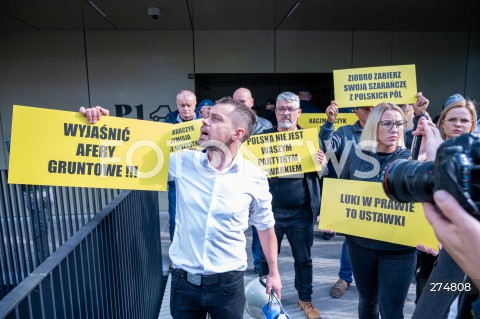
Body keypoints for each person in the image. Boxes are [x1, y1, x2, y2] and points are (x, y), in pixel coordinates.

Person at [80, 98, 282, 319]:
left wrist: (274, 272)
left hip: (228, 287)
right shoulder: (182, 162)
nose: (204, 121)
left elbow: (265, 227)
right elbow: (125, 157)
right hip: (184, 285)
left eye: (215, 118)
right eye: (207, 115)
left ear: (237, 133)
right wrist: (100, 126)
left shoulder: (255, 178)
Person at [340, 103, 415, 319]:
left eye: (399, 123)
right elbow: (343, 190)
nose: (395, 129)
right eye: (388, 123)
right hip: (360, 247)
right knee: (367, 303)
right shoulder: (356, 155)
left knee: (391, 311)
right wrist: (330, 217)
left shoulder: (412, 159)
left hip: (398, 250)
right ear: (374, 126)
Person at [258, 92, 326, 319]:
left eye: (290, 109)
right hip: (269, 213)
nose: (285, 113)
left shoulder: (310, 139)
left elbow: (323, 174)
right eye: (281, 109)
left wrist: (322, 165)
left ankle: (305, 300)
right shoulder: (263, 139)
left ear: (299, 112)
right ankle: (270, 300)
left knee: (304, 260)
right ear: (275, 111)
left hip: (301, 213)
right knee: (266, 260)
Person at [319, 103, 374, 298]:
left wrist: (419, 114)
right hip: (352, 195)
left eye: (374, 108)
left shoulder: (387, 129)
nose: (370, 112)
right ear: (355, 111)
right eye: (366, 109)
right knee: (350, 239)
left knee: (381, 238)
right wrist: (329, 122)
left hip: (379, 195)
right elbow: (325, 148)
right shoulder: (344, 132)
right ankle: (344, 278)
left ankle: (376, 281)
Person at [232, 87, 273, 274]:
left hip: (257, 181)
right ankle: (234, 263)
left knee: (260, 224)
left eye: (244, 101)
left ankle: (258, 264)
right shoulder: (226, 125)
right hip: (233, 180)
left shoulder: (266, 125)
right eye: (236, 102)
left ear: (251, 102)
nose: (241, 105)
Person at [164, 90, 199, 242]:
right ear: (177, 105)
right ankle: (175, 258)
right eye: (182, 105)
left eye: (189, 105)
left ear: (195, 104)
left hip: (200, 179)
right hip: (176, 179)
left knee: (199, 220)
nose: (186, 109)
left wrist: (202, 149)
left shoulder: (207, 122)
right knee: (175, 221)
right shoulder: (167, 124)